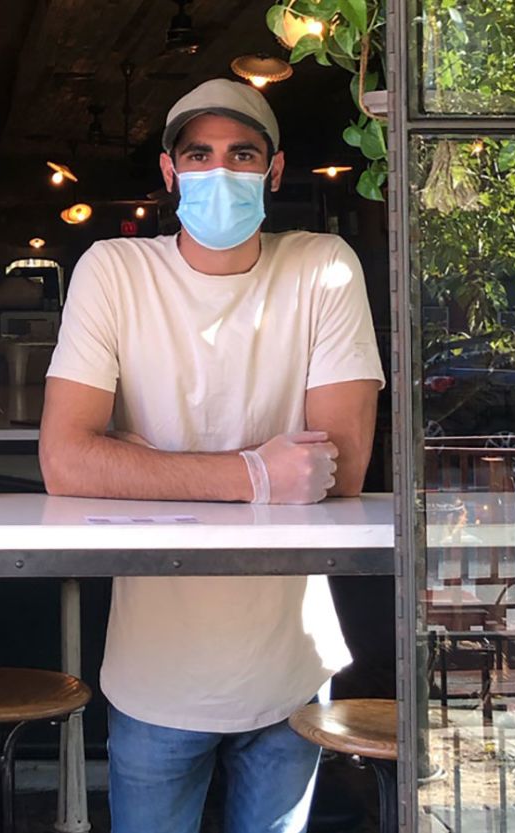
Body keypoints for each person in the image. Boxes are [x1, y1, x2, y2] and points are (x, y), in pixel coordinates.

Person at [39, 79, 385, 833]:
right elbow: (66, 460)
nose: (219, 171)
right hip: (155, 671)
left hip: (291, 664)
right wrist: (259, 471)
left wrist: (139, 462)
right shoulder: (116, 271)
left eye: (241, 154)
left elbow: (342, 469)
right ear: (169, 174)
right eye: (198, 154)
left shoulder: (324, 266)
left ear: (275, 169)